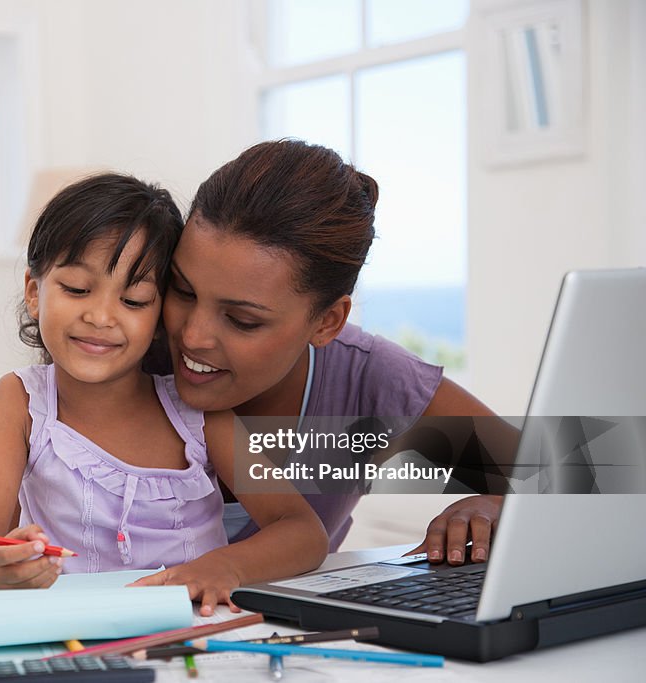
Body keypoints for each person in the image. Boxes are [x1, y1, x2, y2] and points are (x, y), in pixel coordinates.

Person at [0, 172, 328, 615]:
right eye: (76, 289)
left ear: (161, 311)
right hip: (74, 636)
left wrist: (226, 566)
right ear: (35, 293)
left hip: (196, 633)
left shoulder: (197, 414)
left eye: (134, 300)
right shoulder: (22, 401)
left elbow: (302, 531)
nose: (101, 317)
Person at [153, 139, 513, 569]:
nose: (192, 336)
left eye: (243, 320)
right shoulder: (125, 356)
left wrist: (496, 506)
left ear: (327, 322)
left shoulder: (367, 379)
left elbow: (574, 474)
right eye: (182, 290)